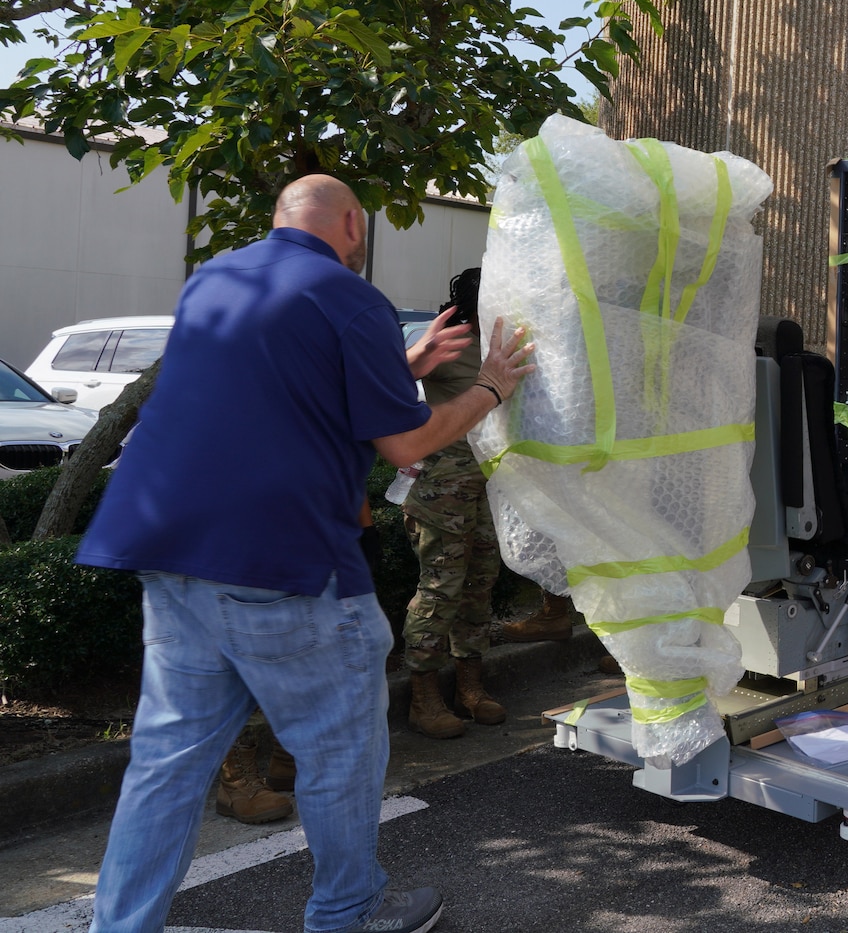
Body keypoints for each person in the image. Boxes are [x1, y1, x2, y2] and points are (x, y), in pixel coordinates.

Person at [75, 175, 534, 933]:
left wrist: (403, 366)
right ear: (351, 224)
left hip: (170, 554)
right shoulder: (350, 296)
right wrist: (488, 386)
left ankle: (120, 927)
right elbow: (409, 441)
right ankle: (349, 911)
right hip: (283, 564)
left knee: (168, 765)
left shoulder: (215, 278)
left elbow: (272, 390)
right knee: (341, 753)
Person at [401, 267, 508, 739]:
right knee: (442, 586)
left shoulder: (501, 344)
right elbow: (382, 383)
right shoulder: (451, 340)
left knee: (480, 583)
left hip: (490, 483)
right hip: (442, 484)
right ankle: (423, 697)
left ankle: (471, 687)